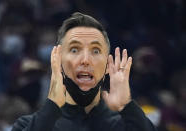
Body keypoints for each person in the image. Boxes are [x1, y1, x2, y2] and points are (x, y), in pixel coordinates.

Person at [12, 12, 157, 131]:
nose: (85, 60)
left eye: (95, 50)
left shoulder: (126, 125)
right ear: (58, 61)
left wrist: (127, 106)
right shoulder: (27, 125)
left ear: (107, 65)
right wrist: (53, 106)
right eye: (75, 49)